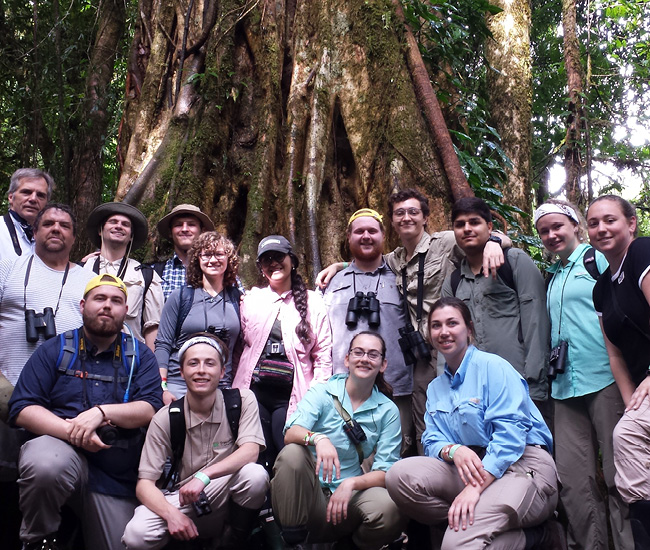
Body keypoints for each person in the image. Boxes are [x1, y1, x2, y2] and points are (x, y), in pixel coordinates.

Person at [317, 188, 509, 453]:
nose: (406, 218)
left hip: (448, 349)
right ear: (393, 222)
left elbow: (478, 235)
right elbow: (367, 258)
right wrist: (339, 266)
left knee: (459, 413)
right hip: (418, 357)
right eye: (399, 213)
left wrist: (495, 242)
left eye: (413, 212)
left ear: (426, 217)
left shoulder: (444, 241)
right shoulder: (393, 260)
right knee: (424, 425)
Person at [386, 297, 560, 550]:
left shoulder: (494, 367)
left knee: (458, 545)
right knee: (398, 477)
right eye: (436, 326)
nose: (444, 332)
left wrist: (475, 489)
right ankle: (498, 531)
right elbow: (432, 439)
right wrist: (454, 450)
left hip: (521, 465)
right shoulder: (436, 388)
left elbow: (511, 436)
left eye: (452, 323)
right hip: (472, 467)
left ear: (469, 329)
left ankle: (537, 534)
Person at [8, 273, 163, 550]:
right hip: (60, 454)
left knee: (126, 543)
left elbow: (151, 407)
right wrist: (73, 431)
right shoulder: (56, 349)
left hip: (115, 476)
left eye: (116, 301)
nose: (107, 306)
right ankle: (38, 540)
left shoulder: (140, 356)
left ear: (126, 311)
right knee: (44, 463)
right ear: (82, 305)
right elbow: (22, 407)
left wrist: (102, 413)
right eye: (99, 298)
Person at [534, 200, 632, 550]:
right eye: (544, 230)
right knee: (575, 480)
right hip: (563, 388)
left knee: (621, 474)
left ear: (576, 226)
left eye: (558, 226)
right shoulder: (552, 274)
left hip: (605, 378)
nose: (551, 234)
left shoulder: (597, 259)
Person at [122, 333, 269, 550]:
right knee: (136, 535)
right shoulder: (166, 417)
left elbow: (250, 452)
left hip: (226, 494)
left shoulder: (242, 400)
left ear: (222, 372)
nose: (201, 370)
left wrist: (204, 476)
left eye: (210, 363)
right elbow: (144, 485)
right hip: (186, 499)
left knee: (255, 475)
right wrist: (171, 515)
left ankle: (231, 543)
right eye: (193, 363)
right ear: (181, 372)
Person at [271, 331, 404, 549]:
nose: (364, 359)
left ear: (383, 364)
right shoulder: (322, 393)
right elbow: (291, 432)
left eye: (373, 355)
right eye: (358, 352)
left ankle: (349, 546)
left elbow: (386, 471)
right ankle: (293, 541)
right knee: (292, 453)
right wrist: (319, 438)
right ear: (347, 359)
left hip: (347, 500)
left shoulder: (387, 410)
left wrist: (352, 483)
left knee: (389, 507)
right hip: (306, 496)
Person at [442, 197, 550, 412]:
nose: (467, 229)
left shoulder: (515, 262)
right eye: (460, 224)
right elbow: (446, 340)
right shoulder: (453, 282)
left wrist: (535, 384)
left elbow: (536, 323)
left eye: (474, 222)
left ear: (489, 227)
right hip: (473, 394)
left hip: (519, 384)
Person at [233, 235, 332, 469]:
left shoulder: (313, 302)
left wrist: (316, 398)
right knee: (255, 455)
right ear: (260, 267)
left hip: (294, 395)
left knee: (288, 455)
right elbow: (238, 350)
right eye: (266, 259)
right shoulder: (251, 299)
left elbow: (323, 354)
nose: (273, 263)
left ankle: (284, 503)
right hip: (253, 392)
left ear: (292, 261)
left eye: (279, 257)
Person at [322, 209, 415, 454]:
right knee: (346, 455)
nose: (366, 236)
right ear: (348, 237)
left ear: (383, 236)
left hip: (397, 387)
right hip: (342, 389)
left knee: (396, 454)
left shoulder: (402, 277)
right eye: (359, 231)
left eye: (372, 231)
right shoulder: (332, 281)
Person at [587, 195, 650, 548]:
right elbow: (616, 355)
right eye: (593, 223)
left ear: (631, 223)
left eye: (610, 220)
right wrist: (632, 406)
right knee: (628, 435)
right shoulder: (602, 289)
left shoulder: (643, 253)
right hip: (641, 385)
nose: (601, 229)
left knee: (626, 437)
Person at [155, 231, 241, 403]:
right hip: (179, 385)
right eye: (207, 254)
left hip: (222, 386)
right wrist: (162, 387)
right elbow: (163, 344)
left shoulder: (238, 299)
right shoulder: (180, 297)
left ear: (228, 258)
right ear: (197, 259)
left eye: (219, 254)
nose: (213, 259)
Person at [84, 202, 164, 350]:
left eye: (125, 224)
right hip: (82, 354)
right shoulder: (81, 269)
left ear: (131, 236)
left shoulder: (146, 275)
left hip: (129, 358)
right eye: (113, 222)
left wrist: (151, 366)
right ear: (100, 230)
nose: (119, 226)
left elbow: (153, 327)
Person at [154, 204, 215, 300]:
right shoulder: (154, 273)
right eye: (178, 225)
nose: (185, 229)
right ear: (170, 232)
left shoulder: (219, 271)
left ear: (202, 231)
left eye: (191, 224)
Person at [0, 168, 54, 261]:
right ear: (11, 197)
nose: (33, 199)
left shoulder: (49, 237)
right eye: (26, 192)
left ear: (46, 203)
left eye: (40, 195)